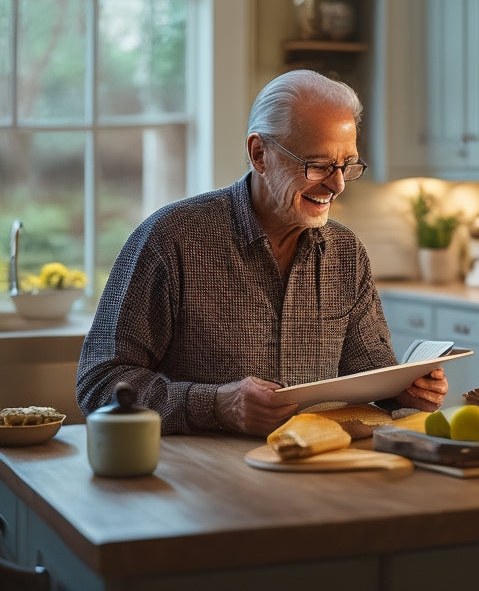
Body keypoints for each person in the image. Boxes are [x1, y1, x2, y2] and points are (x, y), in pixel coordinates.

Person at [76, 69, 448, 436]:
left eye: (346, 166)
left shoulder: (346, 253)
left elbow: (371, 375)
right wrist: (216, 405)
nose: (336, 185)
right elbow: (99, 384)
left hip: (313, 472)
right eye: (317, 165)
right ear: (259, 154)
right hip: (200, 482)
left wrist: (404, 391)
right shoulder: (171, 238)